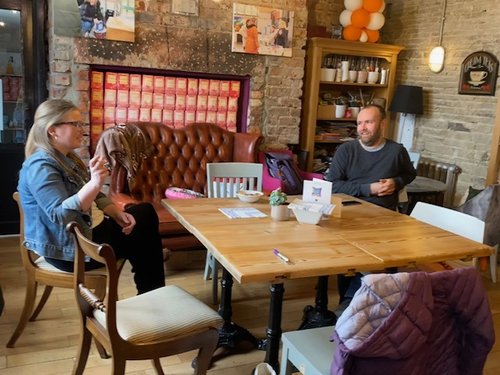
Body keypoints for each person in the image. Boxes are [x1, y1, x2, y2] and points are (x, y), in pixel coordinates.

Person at [18, 99, 165, 294]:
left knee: (142, 217)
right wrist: (95, 182)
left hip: (89, 233)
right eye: (75, 124)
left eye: (82, 124)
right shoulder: (41, 167)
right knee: (144, 233)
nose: (82, 130)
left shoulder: (68, 157)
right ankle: (152, 295)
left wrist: (115, 213)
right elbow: (61, 215)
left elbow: (96, 196)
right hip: (72, 251)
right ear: (52, 130)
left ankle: (151, 293)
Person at [325, 104, 417, 308]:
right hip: (350, 215)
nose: (362, 128)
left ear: (383, 124)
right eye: (359, 123)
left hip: (385, 218)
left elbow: (410, 174)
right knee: (352, 259)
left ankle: (380, 301)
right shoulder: (346, 150)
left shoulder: (396, 151)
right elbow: (332, 185)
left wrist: (397, 182)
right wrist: (370, 189)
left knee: (384, 259)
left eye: (368, 122)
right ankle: (349, 301)